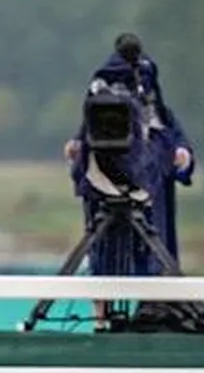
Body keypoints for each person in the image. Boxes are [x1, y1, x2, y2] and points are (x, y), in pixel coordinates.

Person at [63, 31, 196, 276]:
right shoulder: (104, 96)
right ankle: (113, 307)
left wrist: (179, 153)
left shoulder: (151, 102)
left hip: (143, 190)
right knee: (106, 257)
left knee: (141, 254)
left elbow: (171, 133)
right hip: (107, 180)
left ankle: (150, 304)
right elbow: (89, 131)